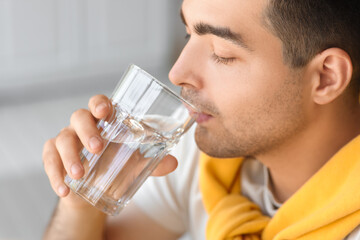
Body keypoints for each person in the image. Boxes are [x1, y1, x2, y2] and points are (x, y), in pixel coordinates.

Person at [42, 0, 360, 239]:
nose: (177, 73)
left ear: (326, 77)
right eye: (187, 35)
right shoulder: (200, 154)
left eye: (222, 52)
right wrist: (84, 200)